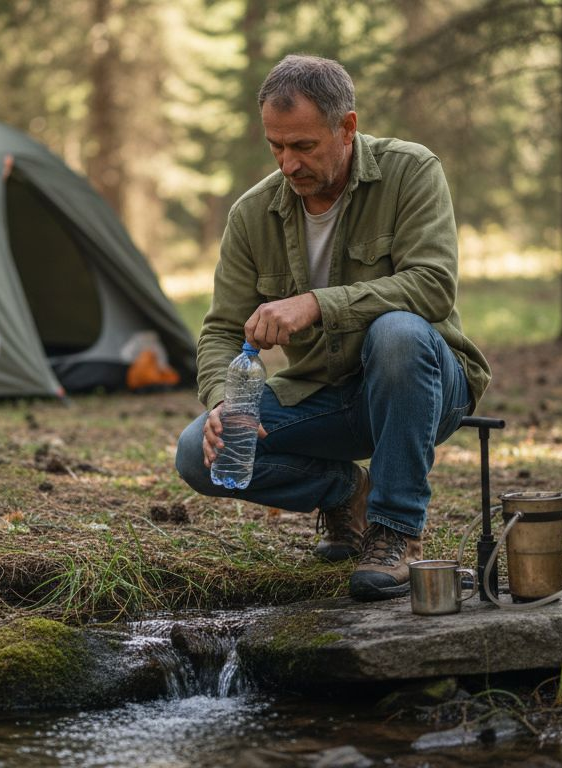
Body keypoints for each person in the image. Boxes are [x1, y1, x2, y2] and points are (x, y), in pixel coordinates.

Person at [175, 54, 491, 601]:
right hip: (327, 394)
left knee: (397, 332)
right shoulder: (252, 215)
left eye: (303, 146)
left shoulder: (411, 171)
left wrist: (316, 304)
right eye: (275, 146)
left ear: (347, 127)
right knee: (198, 457)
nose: (287, 164)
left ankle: (396, 533)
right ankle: (348, 493)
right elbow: (223, 330)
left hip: (425, 384)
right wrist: (223, 401)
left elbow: (433, 285)